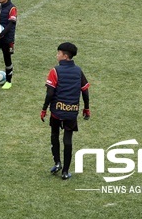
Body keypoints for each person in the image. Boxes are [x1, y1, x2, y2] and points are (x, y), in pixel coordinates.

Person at [40, 42, 90, 180]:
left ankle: (57, 163)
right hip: (71, 112)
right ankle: (65, 172)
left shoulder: (55, 71)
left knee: (54, 135)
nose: (57, 55)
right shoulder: (78, 71)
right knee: (68, 140)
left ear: (65, 56)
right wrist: (86, 108)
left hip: (56, 111)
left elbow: (50, 93)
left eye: (59, 53)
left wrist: (44, 109)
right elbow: (85, 91)